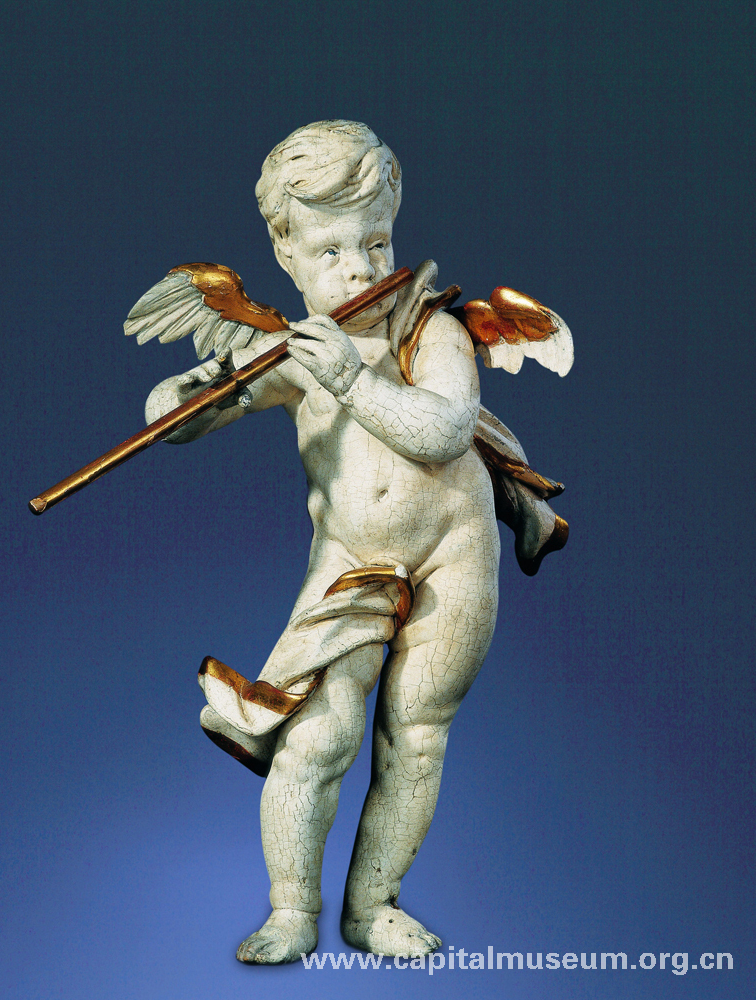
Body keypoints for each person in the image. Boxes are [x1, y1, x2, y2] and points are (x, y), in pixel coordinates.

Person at [141, 121, 567, 963]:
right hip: (350, 562)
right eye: (331, 250)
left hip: (452, 555)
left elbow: (443, 430)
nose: (361, 269)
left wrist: (348, 375)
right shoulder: (291, 352)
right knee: (316, 737)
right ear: (286, 253)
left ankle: (373, 906)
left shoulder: (431, 331)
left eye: (376, 242)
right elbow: (172, 420)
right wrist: (188, 397)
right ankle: (291, 911)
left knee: (417, 731)